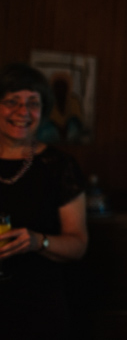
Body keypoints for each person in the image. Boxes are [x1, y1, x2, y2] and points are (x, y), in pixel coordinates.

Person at [0, 62, 89, 340]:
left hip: (37, 307)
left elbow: (78, 245)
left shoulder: (60, 166)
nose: (22, 111)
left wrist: (39, 241)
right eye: (12, 101)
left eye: (33, 103)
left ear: (44, 111)